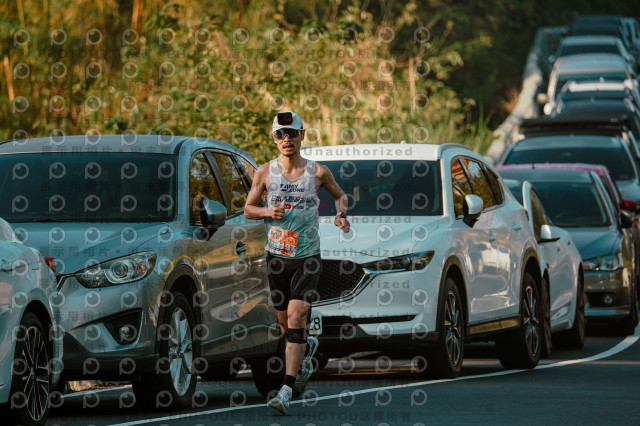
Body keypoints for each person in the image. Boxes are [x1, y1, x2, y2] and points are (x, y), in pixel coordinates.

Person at [244, 111, 350, 415]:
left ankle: (286, 389)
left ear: (302, 135)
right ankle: (306, 347)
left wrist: (341, 214)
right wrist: (267, 212)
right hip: (277, 258)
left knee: (297, 315)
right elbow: (249, 208)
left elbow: (340, 196)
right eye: (280, 134)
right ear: (274, 139)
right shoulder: (265, 172)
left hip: (307, 257)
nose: (286, 139)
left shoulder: (318, 172)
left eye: (291, 133)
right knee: (285, 326)